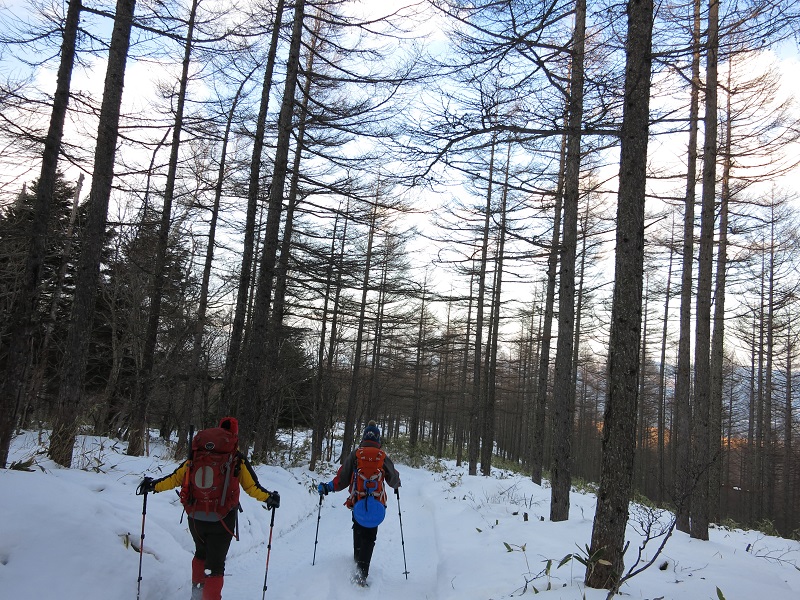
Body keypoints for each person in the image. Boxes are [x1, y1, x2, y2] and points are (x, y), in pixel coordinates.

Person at [137, 417, 280, 600]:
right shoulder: (236, 459)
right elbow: (252, 488)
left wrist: (153, 486)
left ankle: (197, 595)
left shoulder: (197, 455)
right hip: (222, 519)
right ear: (235, 435)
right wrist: (270, 498)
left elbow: (174, 478)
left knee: (200, 554)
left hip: (195, 517)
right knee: (216, 566)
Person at [318, 420, 400, 586]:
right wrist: (397, 485)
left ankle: (357, 561)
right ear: (378, 439)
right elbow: (393, 478)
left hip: (357, 500)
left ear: (364, 437)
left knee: (358, 528)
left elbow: (342, 479)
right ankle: (362, 573)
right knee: (370, 536)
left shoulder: (356, 454)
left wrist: (328, 487)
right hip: (376, 502)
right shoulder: (382, 456)